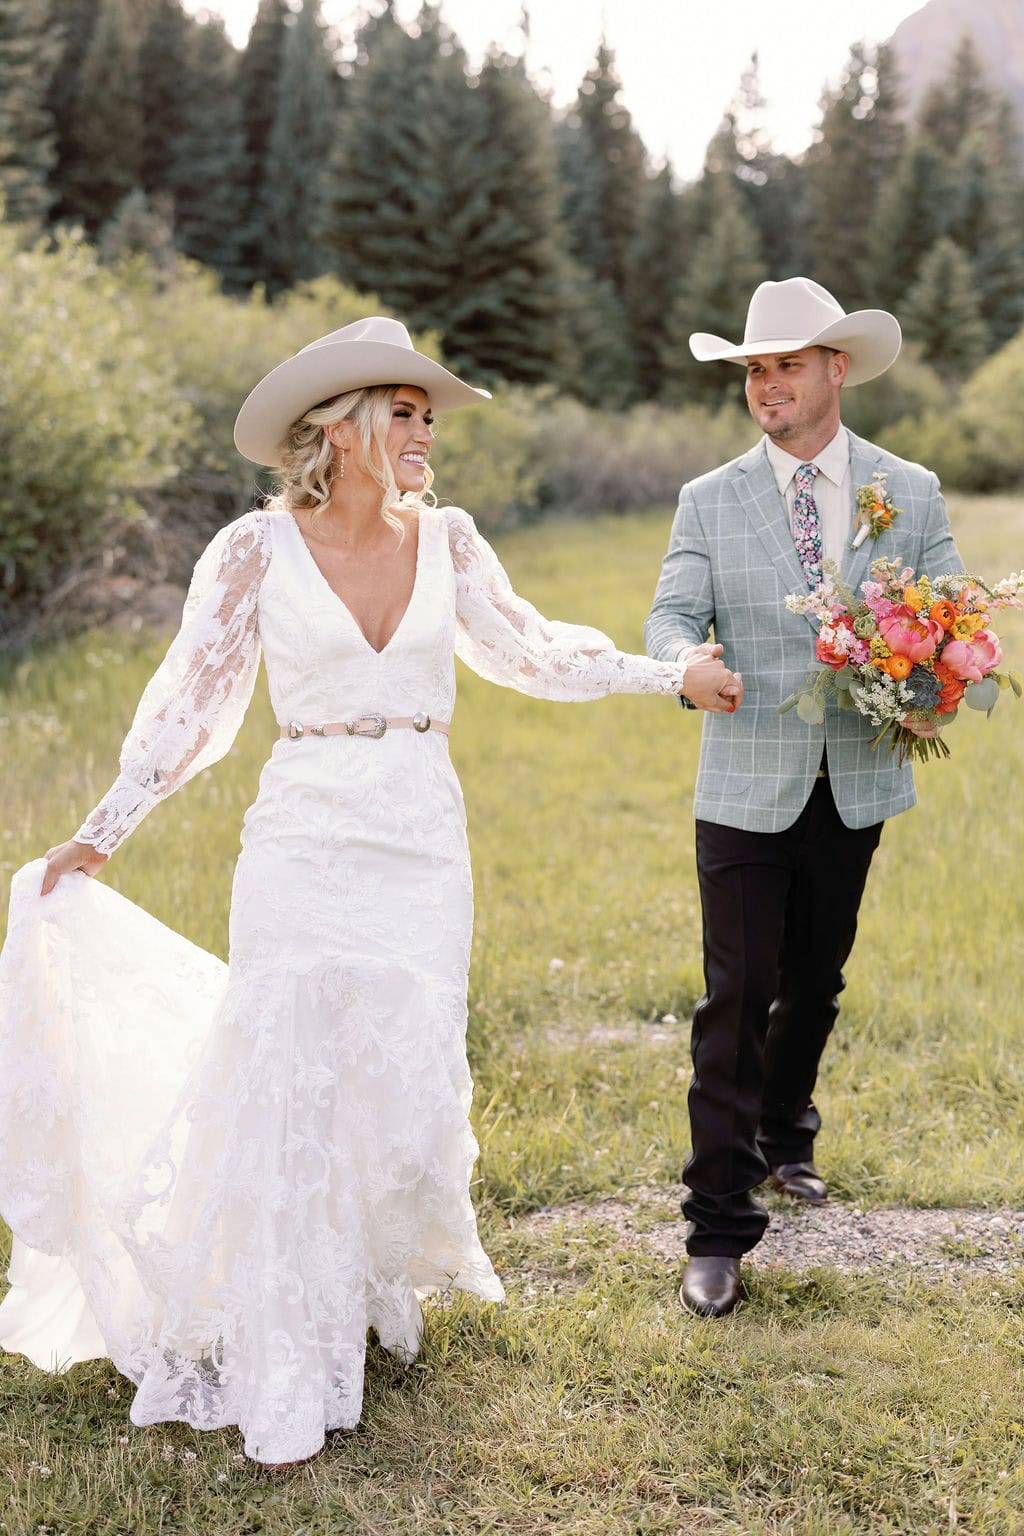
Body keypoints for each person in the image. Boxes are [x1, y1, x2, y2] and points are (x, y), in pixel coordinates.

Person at [0, 317, 692, 1465]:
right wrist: (99, 835)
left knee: (399, 1066)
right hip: (306, 827)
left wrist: (671, 675)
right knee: (288, 1067)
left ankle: (357, 1282)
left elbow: (534, 651)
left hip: (420, 829)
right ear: (338, 427)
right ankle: (286, 1338)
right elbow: (188, 708)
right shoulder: (252, 551)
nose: (423, 430)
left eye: (427, 412)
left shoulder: (452, 540)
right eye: (402, 410)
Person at [644, 278, 963, 1318]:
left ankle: (787, 1134)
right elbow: (671, 617)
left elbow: (950, 611)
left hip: (857, 778)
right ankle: (719, 1224)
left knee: (813, 981)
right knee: (735, 995)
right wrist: (686, 665)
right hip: (743, 776)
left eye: (785, 364)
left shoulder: (906, 489)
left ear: (836, 368)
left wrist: (940, 685)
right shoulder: (709, 498)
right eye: (753, 368)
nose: (765, 385)